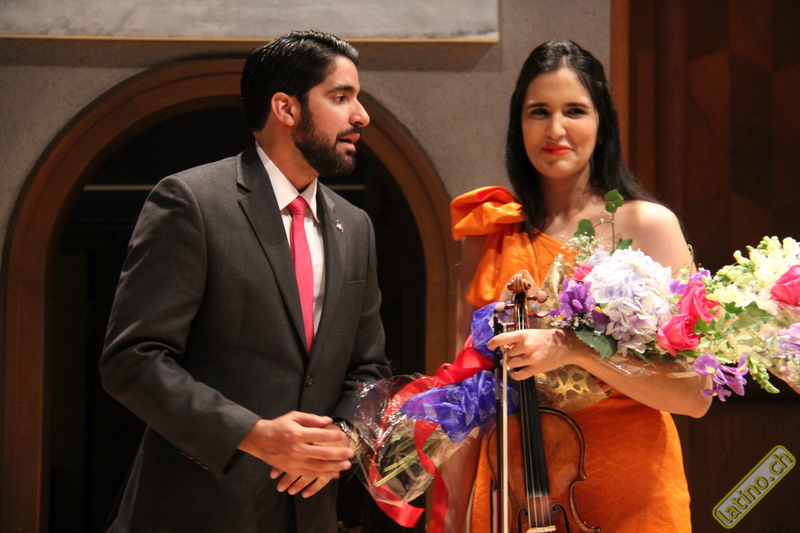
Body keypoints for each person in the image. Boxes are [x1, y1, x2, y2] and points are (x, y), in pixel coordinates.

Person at [100, 30, 391, 532]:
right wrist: (254, 434)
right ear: (286, 108)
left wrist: (343, 435)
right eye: (341, 97)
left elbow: (370, 367)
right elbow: (132, 360)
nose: (361, 115)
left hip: (310, 514)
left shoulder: (356, 225)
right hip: (199, 512)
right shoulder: (192, 202)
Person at [451, 40, 711, 532]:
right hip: (511, 494)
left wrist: (574, 350)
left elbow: (695, 395)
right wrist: (449, 514)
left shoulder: (647, 225)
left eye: (574, 111)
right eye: (538, 112)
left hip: (629, 489)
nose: (555, 130)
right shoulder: (489, 229)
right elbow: (465, 390)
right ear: (518, 124)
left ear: (602, 122)